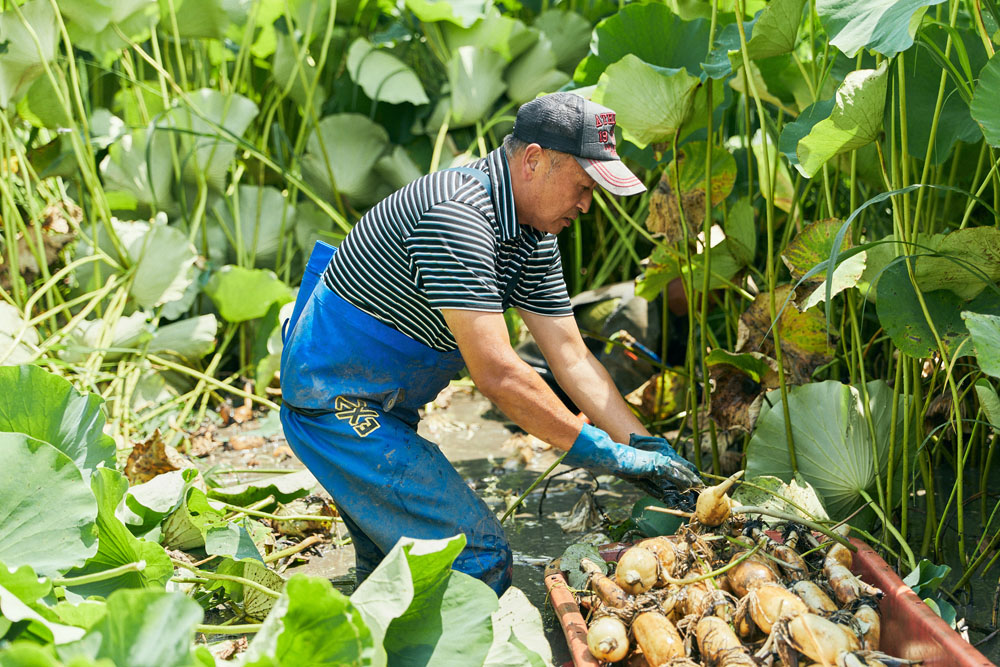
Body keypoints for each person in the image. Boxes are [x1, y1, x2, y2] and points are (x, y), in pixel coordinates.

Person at [279, 92, 701, 595]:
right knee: (475, 556)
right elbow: (498, 375)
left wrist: (647, 448)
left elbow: (571, 356)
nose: (586, 206)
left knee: (393, 581)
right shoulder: (457, 215)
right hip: (336, 402)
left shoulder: (532, 234)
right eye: (583, 186)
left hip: (388, 404)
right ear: (533, 160)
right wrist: (603, 454)